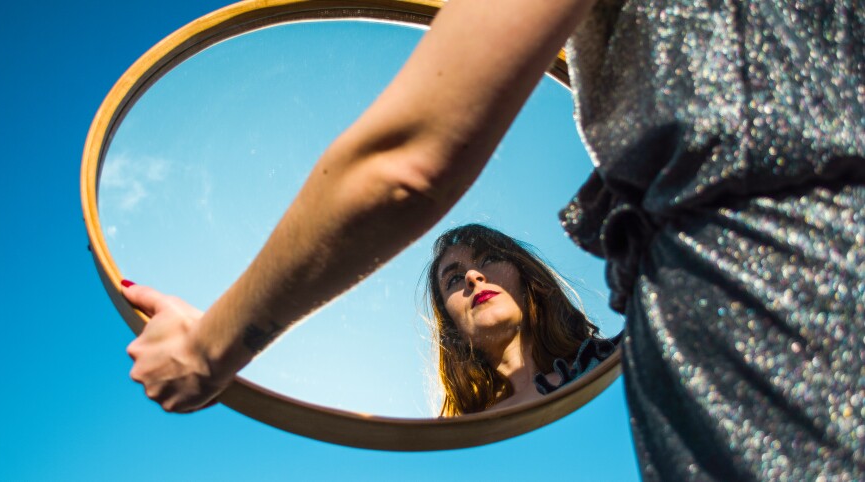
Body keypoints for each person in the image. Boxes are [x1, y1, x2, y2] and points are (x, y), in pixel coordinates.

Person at [121, 0, 864, 479]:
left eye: (486, 260)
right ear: (442, 321)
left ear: (529, 275)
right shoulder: (449, 441)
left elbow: (404, 163)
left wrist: (207, 347)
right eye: (451, 277)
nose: (472, 278)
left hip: (780, 299)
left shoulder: (622, 353)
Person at [424, 223, 618, 416]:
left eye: (490, 258)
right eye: (454, 279)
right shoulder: (456, 439)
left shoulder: (616, 360)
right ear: (452, 329)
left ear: (528, 282)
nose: (472, 276)